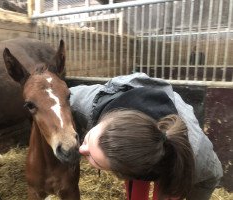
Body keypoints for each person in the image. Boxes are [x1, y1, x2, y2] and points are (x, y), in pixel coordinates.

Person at [69, 73, 223, 200]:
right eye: (88, 138)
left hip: (167, 160)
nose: (81, 149)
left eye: (93, 159)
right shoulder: (88, 103)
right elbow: (54, 93)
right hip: (137, 145)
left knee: (169, 192)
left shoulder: (196, 157)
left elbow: (211, 177)